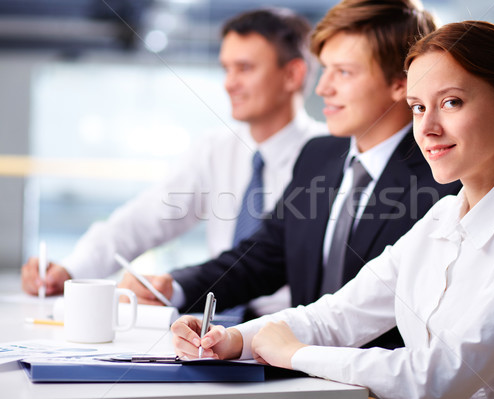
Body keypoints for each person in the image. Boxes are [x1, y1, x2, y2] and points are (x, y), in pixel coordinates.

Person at [171, 20, 494, 399]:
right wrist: (231, 340)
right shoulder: (440, 220)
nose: (427, 128)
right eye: (419, 107)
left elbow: (440, 375)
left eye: (452, 102)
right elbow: (335, 317)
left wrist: (296, 355)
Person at [125, 0, 461, 349]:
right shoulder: (319, 155)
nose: (323, 88)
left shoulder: (443, 179)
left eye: (343, 72)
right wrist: (175, 285)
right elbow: (265, 255)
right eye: (325, 70)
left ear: (400, 83)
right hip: (300, 372)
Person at [20, 8, 326, 312]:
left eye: (244, 68)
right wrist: (72, 270)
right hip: (213, 322)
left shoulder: (329, 158)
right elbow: (141, 221)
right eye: (226, 68)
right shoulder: (216, 149)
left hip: (287, 330)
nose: (229, 83)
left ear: (292, 74)